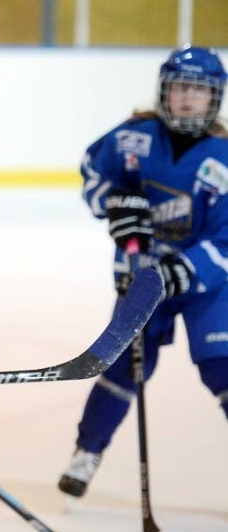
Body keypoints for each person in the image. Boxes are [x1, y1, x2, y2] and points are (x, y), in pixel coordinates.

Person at [58, 44, 228, 498]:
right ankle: (87, 450)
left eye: (199, 90)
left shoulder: (224, 157)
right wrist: (113, 204)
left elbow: (226, 241)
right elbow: (93, 173)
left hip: (207, 285)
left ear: (215, 97)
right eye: (180, 88)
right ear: (164, 92)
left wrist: (180, 272)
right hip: (140, 274)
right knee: (123, 367)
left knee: (224, 369)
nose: (188, 98)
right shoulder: (133, 137)